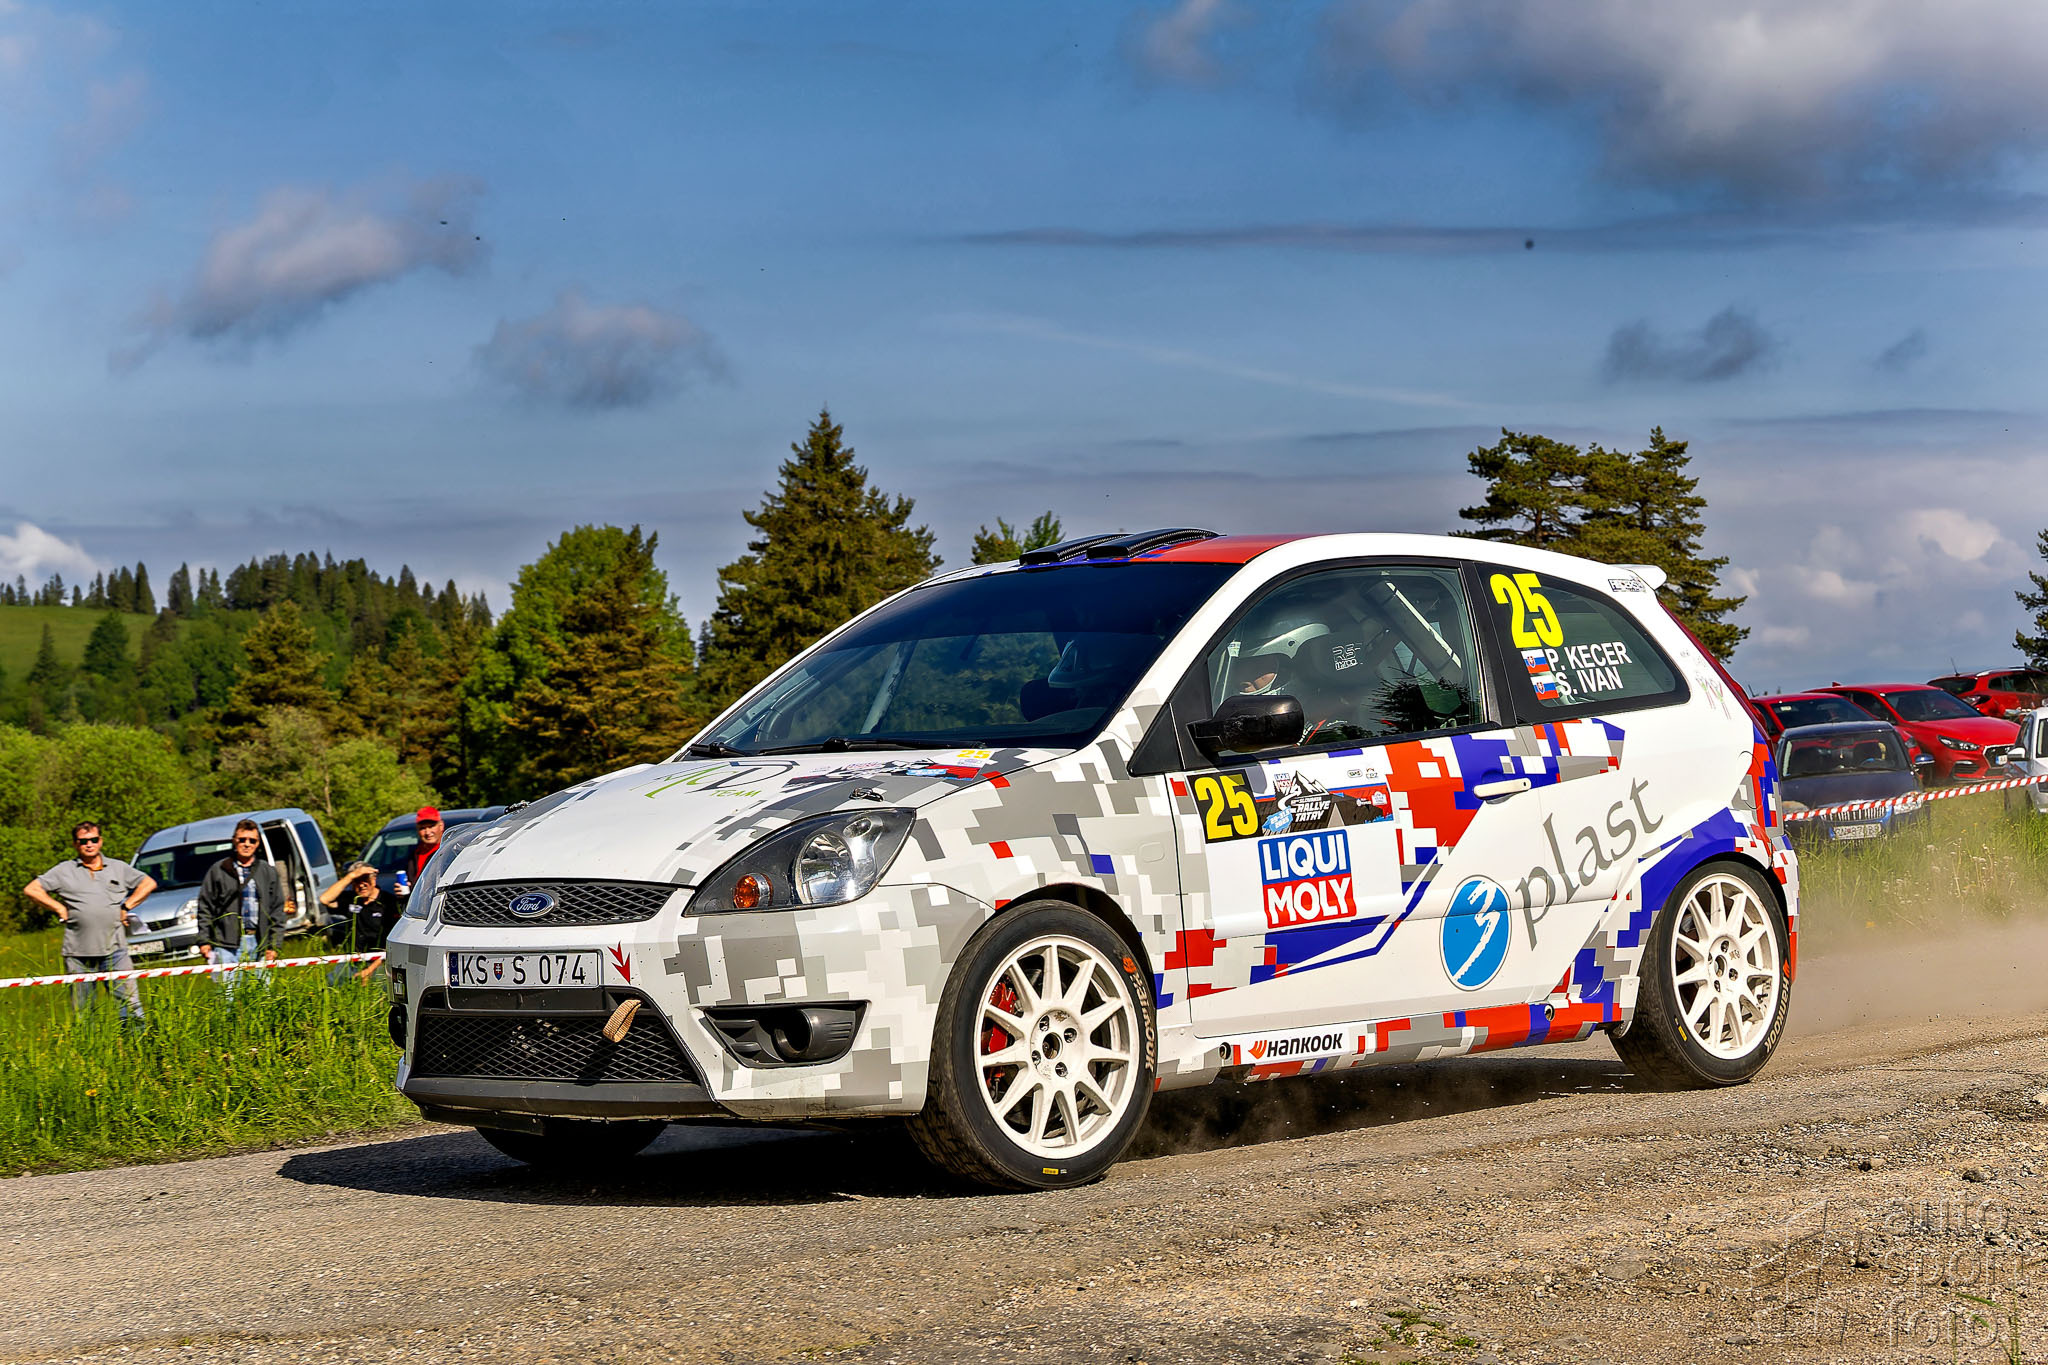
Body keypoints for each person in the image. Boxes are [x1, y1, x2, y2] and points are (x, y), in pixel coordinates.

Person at [22, 821, 154, 1026]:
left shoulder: (118, 867)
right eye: (83, 841)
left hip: (115, 950)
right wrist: (58, 908)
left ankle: (138, 1043)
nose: (89, 844)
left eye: (93, 839)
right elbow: (32, 889)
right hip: (78, 954)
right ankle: (89, 1046)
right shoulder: (64, 870)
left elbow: (148, 883)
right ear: (75, 844)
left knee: (130, 1005)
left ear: (100, 841)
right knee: (84, 1012)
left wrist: (126, 906)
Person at [195, 818, 286, 1000]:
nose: (247, 844)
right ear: (234, 841)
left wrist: (274, 945)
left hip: (260, 943)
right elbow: (205, 907)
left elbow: (277, 910)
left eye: (252, 840)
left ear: (258, 844)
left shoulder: (267, 871)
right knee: (227, 998)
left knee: (263, 998)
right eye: (242, 839)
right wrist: (204, 941)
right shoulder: (218, 870)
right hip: (225, 945)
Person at [319, 862, 389, 982]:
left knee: (380, 985)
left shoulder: (388, 902)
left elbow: (390, 946)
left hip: (380, 962)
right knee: (329, 983)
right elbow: (324, 899)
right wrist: (351, 876)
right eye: (357, 881)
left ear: (374, 879)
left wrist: (369, 971)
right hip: (352, 961)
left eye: (365, 879)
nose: (361, 885)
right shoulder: (351, 899)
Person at [409, 807, 445, 881]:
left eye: (431, 826)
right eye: (422, 828)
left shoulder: (450, 850)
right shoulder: (415, 853)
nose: (427, 832)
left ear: (441, 826)